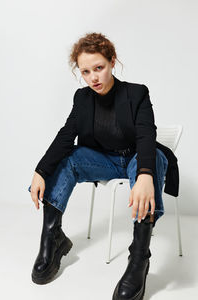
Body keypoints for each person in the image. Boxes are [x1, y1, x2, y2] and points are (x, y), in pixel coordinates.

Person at [28, 32, 178, 299]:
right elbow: (66, 135)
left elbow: (146, 135)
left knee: (151, 159)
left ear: (112, 62)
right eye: (86, 71)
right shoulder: (82, 98)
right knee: (66, 159)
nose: (93, 77)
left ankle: (140, 258)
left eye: (99, 68)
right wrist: (41, 170)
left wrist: (144, 173)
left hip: (136, 159)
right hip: (105, 162)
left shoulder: (136, 93)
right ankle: (53, 238)